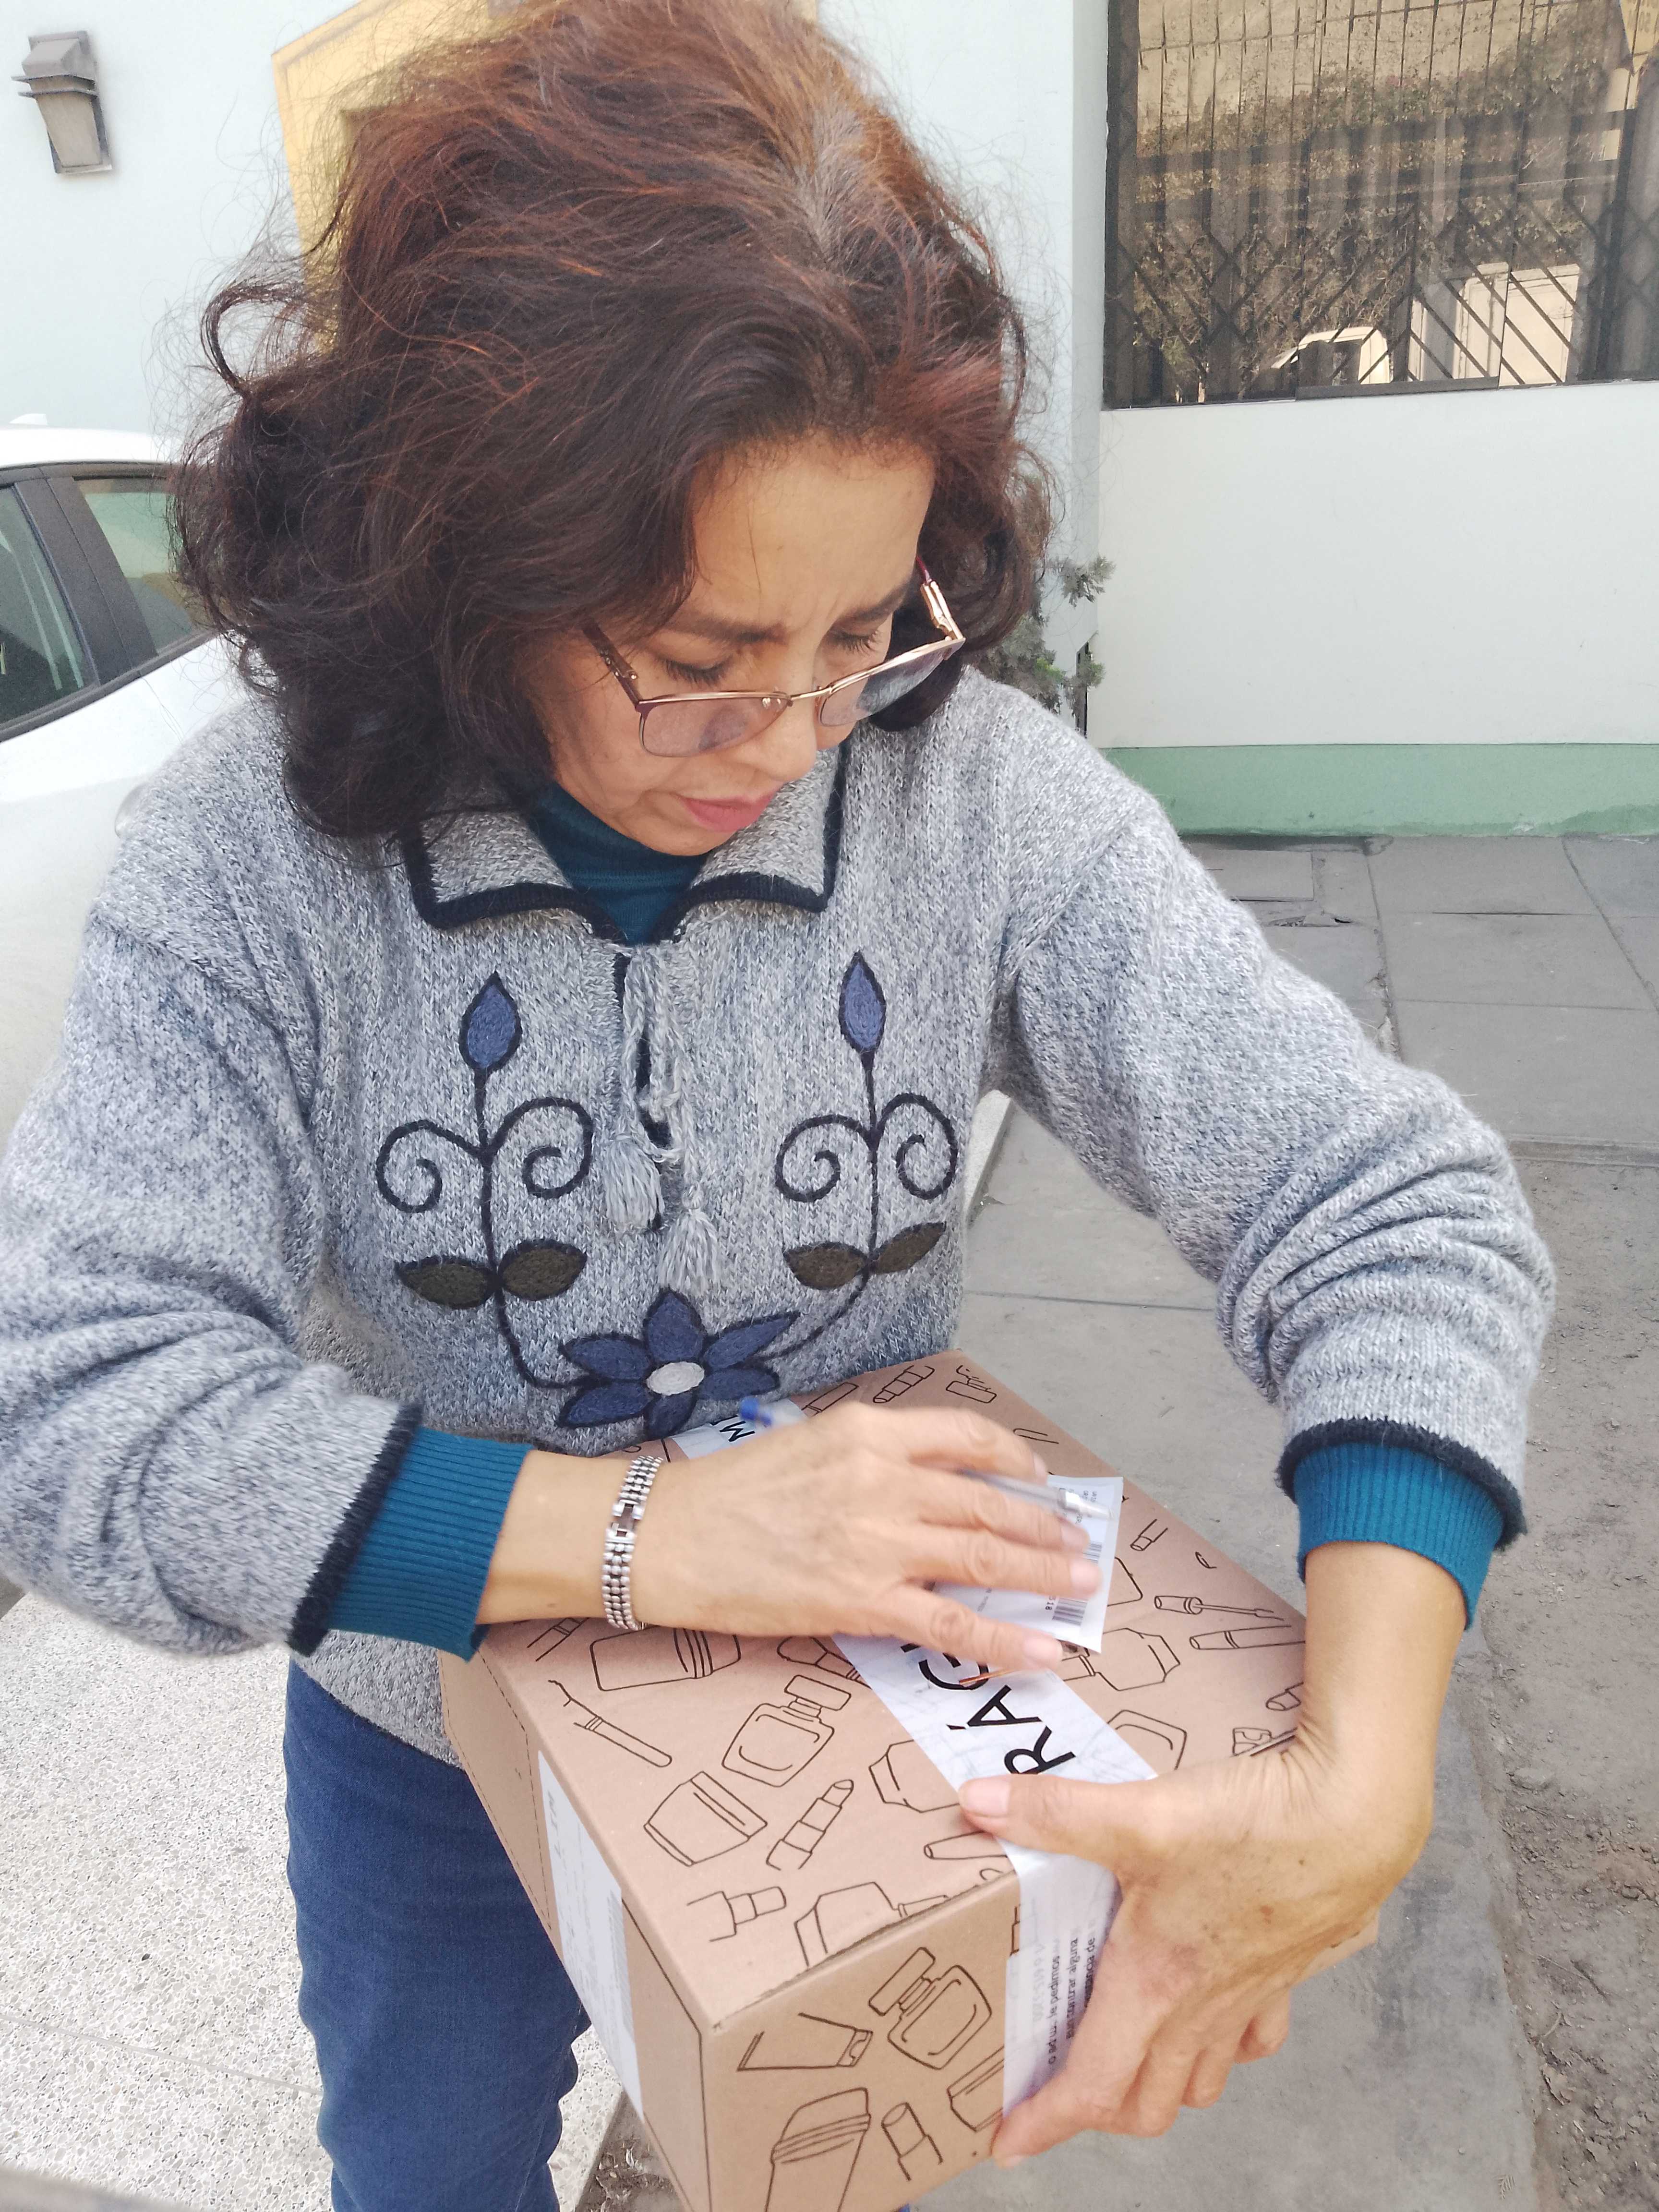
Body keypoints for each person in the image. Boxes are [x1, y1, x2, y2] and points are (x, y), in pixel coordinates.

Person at [0, 2, 1551, 2206]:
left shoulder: (971, 800)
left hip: (851, 1735)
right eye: (698, 661)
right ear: (464, 562)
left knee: (830, 2149)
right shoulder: (253, 861)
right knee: (429, 2163)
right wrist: (647, 1535)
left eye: (858, 634)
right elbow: (77, 1410)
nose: (798, 740)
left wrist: (1367, 1771)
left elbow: (1393, 1205)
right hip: (426, 1740)